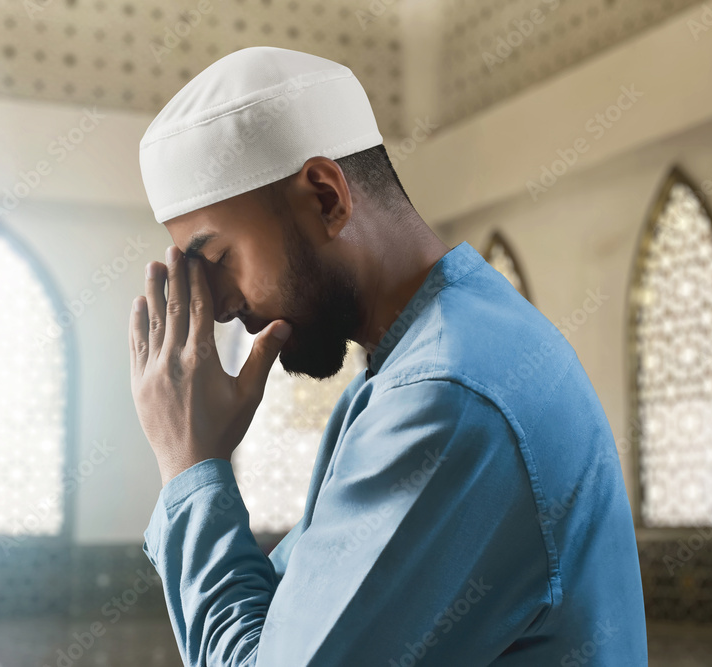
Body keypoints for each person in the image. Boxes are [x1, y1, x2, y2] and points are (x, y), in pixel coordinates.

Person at [128, 45, 648, 666]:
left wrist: (188, 465)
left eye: (217, 260)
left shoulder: (447, 399)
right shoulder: (417, 368)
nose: (214, 308)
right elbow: (288, 622)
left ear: (326, 198)